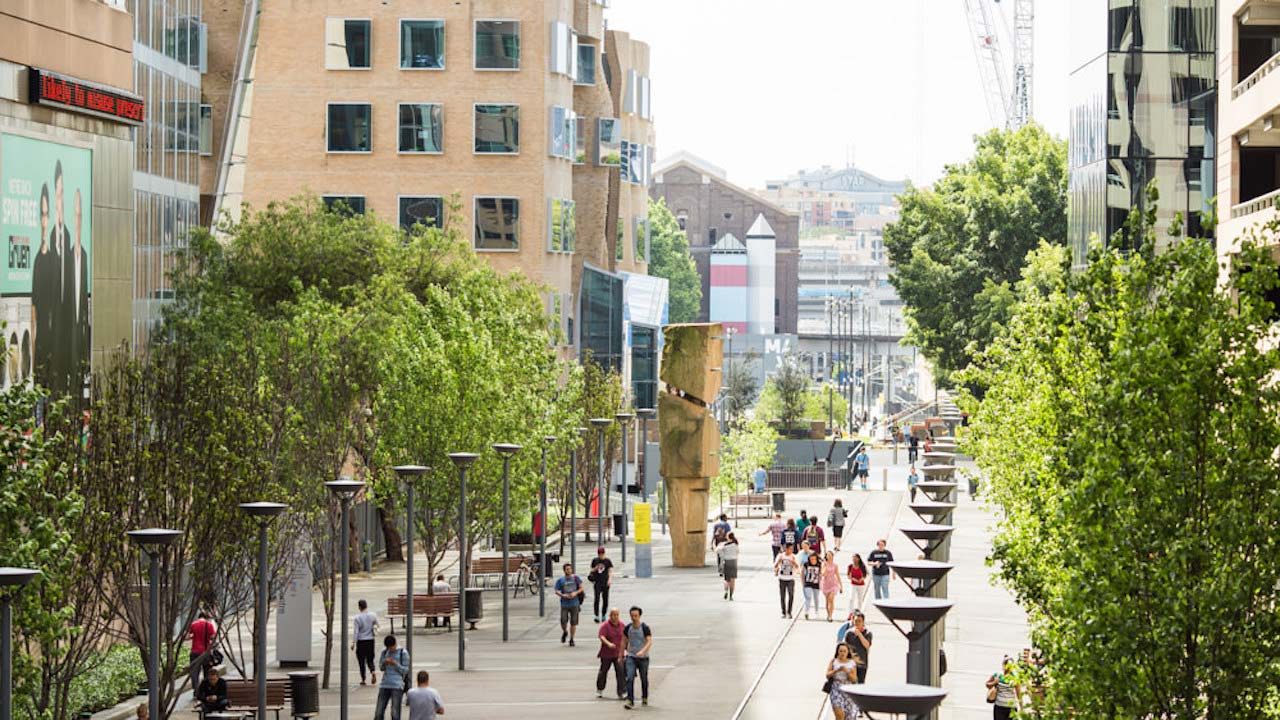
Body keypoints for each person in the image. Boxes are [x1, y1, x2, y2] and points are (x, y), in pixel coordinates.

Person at [623, 606, 653, 709]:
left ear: (639, 616)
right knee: (630, 677)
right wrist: (621, 654)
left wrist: (643, 651)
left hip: (643, 658)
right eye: (632, 616)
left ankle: (644, 697)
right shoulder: (628, 628)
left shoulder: (645, 628)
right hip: (631, 656)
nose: (634, 618)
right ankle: (630, 700)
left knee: (643, 678)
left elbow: (649, 641)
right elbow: (624, 641)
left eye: (636, 616)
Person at [374, 635, 409, 720]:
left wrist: (395, 664)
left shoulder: (403, 653)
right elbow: (381, 668)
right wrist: (384, 662)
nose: (390, 649)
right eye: (388, 647)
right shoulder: (385, 652)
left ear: (395, 644)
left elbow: (405, 670)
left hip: (397, 685)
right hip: (385, 684)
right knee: (379, 712)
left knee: (395, 713)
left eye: (391, 647)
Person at [595, 607, 626, 699]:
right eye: (613, 615)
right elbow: (601, 636)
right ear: (610, 615)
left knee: (621, 673)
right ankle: (600, 689)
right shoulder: (605, 626)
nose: (615, 617)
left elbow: (625, 638)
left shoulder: (622, 625)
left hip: (618, 654)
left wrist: (627, 649)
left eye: (616, 615)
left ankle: (621, 692)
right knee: (603, 672)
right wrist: (608, 644)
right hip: (606, 654)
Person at [554, 563, 585, 646]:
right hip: (564, 603)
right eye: (567, 569)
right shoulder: (561, 580)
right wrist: (562, 595)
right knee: (563, 620)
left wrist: (575, 593)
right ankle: (565, 631)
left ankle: (572, 639)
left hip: (574, 603)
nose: (569, 570)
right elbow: (556, 590)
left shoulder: (576, 578)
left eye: (570, 569)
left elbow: (581, 588)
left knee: (573, 622)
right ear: (564, 570)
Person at [825, 643, 859, 720]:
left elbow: (854, 679)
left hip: (848, 690)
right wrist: (836, 670)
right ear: (837, 652)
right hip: (836, 689)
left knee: (849, 716)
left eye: (844, 651)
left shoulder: (852, 663)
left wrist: (847, 671)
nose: (842, 653)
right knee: (839, 714)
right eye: (840, 651)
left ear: (848, 652)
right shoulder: (834, 661)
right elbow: (827, 675)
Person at [188, 611, 217, 693]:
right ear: (206, 617)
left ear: (199, 617)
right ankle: (205, 690)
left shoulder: (193, 624)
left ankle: (196, 690)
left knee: (194, 672)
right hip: (205, 652)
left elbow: (188, 636)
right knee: (207, 671)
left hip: (195, 651)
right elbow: (213, 637)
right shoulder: (209, 625)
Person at [353, 599, 380, 685]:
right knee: (370, 659)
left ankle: (363, 679)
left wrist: (353, 642)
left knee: (361, 661)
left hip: (361, 641)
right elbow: (378, 625)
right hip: (370, 640)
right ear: (366, 606)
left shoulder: (357, 618)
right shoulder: (373, 615)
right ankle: (372, 671)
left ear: (359, 607)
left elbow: (356, 632)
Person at [843, 611, 873, 683]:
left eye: (859, 621)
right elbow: (844, 647)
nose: (857, 623)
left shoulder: (867, 633)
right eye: (855, 621)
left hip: (862, 664)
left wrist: (859, 634)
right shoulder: (849, 633)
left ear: (863, 622)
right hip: (850, 663)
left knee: (860, 684)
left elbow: (867, 645)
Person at [588, 547, 614, 622]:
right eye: (599, 554)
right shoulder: (595, 560)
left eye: (602, 554)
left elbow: (610, 571)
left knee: (605, 599)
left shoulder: (607, 561)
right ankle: (596, 615)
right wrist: (595, 568)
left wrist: (609, 580)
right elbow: (591, 570)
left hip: (605, 582)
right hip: (597, 582)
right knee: (597, 599)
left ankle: (603, 614)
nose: (601, 555)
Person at [773, 544, 799, 618]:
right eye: (790, 549)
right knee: (782, 596)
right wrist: (779, 561)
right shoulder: (781, 556)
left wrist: (793, 562)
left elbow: (797, 567)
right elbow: (775, 566)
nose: (791, 550)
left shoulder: (793, 556)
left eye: (792, 549)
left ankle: (789, 612)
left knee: (791, 595)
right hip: (782, 578)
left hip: (791, 578)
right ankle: (783, 612)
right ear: (786, 549)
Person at [820, 550, 842, 622]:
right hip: (826, 584)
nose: (829, 557)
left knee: (831, 599)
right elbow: (823, 574)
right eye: (827, 555)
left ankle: (830, 616)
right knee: (827, 601)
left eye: (830, 555)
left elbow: (837, 575)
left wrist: (841, 585)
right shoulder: (824, 564)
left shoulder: (835, 565)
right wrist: (826, 566)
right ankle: (828, 614)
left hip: (833, 583)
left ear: (832, 556)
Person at [716, 532, 740, 600]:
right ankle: (731, 595)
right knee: (733, 580)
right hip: (734, 562)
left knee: (726, 580)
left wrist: (722, 555)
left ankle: (726, 591)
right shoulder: (735, 545)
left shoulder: (724, 545)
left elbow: (717, 550)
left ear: (728, 537)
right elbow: (737, 552)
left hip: (726, 562)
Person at [801, 551, 822, 620]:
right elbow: (802, 573)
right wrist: (803, 583)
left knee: (816, 598)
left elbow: (820, 574)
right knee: (808, 597)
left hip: (816, 583)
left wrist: (820, 582)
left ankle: (817, 612)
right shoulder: (806, 564)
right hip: (808, 583)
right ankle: (806, 612)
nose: (812, 560)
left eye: (814, 559)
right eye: (811, 559)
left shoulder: (819, 564)